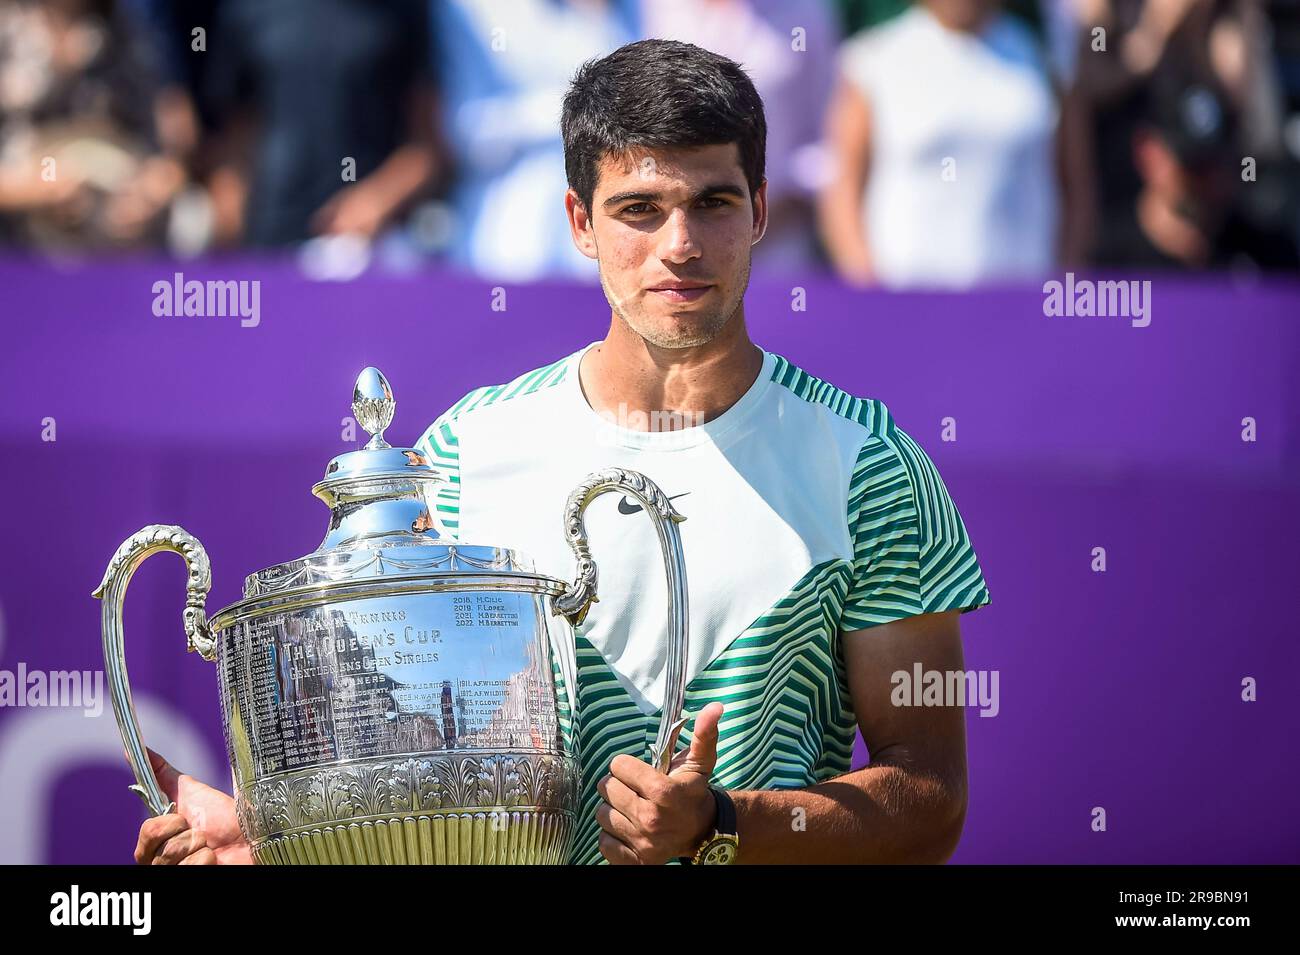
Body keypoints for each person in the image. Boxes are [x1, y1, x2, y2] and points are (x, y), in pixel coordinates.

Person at [135, 38, 992, 866]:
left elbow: (932, 799)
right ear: (581, 221)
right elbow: (411, 760)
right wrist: (278, 840)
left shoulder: (869, 466)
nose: (680, 244)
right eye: (639, 209)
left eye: (714, 202)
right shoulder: (461, 457)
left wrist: (724, 825)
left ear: (761, 209)